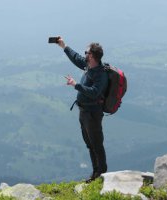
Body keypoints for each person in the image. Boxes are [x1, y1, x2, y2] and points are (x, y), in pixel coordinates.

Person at [57, 36, 108, 183]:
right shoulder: (88, 66)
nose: (84, 54)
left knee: (96, 144)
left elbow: (94, 92)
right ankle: (95, 173)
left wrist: (76, 85)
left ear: (91, 55)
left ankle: (102, 174)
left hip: (93, 113)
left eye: (86, 52)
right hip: (84, 111)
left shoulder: (100, 73)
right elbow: (76, 58)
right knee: (90, 144)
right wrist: (64, 46)